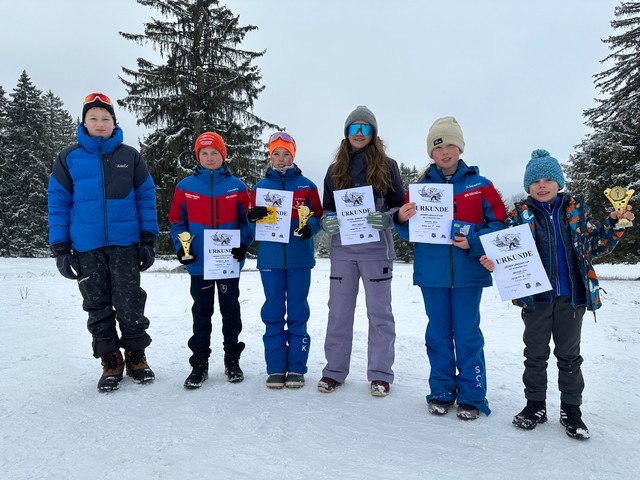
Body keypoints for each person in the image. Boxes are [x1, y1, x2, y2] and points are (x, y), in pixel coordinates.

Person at [480, 149, 634, 439]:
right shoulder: (519, 215)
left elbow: (596, 246)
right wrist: (494, 260)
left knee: (569, 356)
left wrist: (614, 224)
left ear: (558, 182)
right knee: (535, 355)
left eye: (548, 179)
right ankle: (535, 405)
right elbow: (507, 251)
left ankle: (571, 410)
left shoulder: (576, 211)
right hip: (536, 299)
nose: (542, 185)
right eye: (535, 180)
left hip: (571, 298)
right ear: (528, 186)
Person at [393, 116, 506, 420]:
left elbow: (498, 225)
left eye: (451, 145)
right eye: (438, 147)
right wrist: (401, 219)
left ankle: (472, 395)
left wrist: (474, 242)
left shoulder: (480, 185)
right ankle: (441, 390)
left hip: (469, 273)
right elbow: (409, 232)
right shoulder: (420, 188)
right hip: (432, 274)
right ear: (431, 153)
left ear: (460, 148)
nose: (445, 152)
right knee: (438, 333)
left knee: (467, 334)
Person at [48, 92, 159, 392]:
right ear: (83, 122)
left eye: (105, 118)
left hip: (125, 244)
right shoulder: (68, 158)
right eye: (93, 118)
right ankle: (111, 359)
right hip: (86, 247)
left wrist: (148, 240)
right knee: (96, 304)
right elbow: (58, 203)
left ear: (114, 123)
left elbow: (146, 198)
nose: (99, 123)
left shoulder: (130, 156)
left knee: (130, 300)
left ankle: (136, 355)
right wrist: (61, 248)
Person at [318, 106, 405, 397]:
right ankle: (334, 371)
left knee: (379, 314)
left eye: (365, 129)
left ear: (373, 133)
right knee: (339, 313)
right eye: (354, 128)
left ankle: (380, 374)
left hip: (376, 251)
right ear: (346, 133)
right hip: (343, 251)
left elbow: (399, 205)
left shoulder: (388, 166)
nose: (359, 134)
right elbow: (327, 208)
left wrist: (389, 217)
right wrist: (326, 220)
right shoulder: (334, 170)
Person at [169, 131, 252, 389]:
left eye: (214, 152)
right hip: (200, 263)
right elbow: (176, 221)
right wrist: (182, 249)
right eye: (204, 153)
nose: (209, 157)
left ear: (223, 155)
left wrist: (243, 245)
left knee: (231, 312)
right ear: (198, 157)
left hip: (228, 263)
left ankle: (232, 359)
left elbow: (247, 220)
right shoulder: (185, 187)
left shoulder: (237, 186)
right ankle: (199, 364)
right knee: (201, 313)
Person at [247, 132, 323, 389]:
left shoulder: (306, 186)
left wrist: (310, 227)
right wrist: (253, 215)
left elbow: (318, 216)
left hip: (299, 258)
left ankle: (298, 367)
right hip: (270, 258)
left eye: (286, 154)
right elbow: (249, 218)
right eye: (276, 154)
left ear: (293, 155)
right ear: (270, 156)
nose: (281, 159)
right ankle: (276, 367)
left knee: (299, 311)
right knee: (273, 311)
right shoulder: (259, 187)